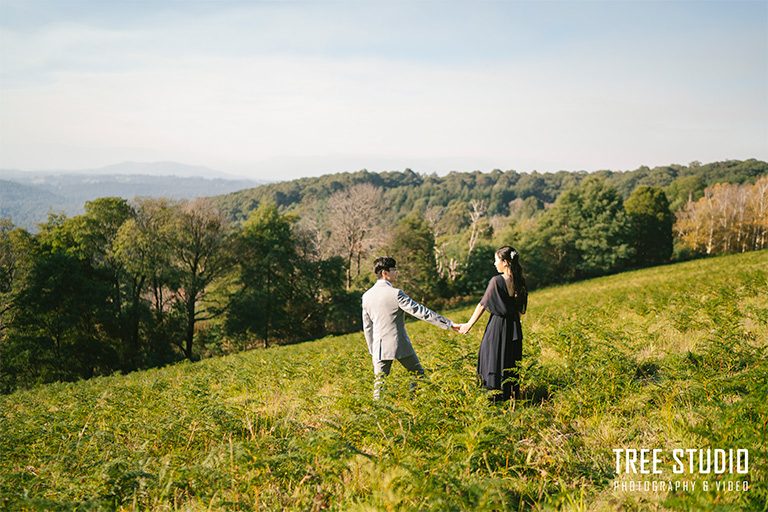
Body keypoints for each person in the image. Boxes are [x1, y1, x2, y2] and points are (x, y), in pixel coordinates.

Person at [362, 256, 458, 400]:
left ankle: (376, 417)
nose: (397, 273)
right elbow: (421, 312)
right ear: (384, 273)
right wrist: (448, 324)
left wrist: (372, 349)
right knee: (417, 374)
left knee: (379, 386)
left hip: (379, 348)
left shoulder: (366, 296)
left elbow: (367, 327)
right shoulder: (396, 294)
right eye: (394, 270)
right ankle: (413, 404)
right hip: (399, 344)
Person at [457, 246, 528, 401]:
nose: (494, 263)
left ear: (506, 262)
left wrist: (468, 325)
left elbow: (482, 304)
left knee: (492, 359)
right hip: (514, 328)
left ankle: (492, 398)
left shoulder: (496, 281)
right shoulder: (520, 281)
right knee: (509, 360)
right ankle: (510, 396)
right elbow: (520, 311)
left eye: (496, 260)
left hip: (497, 327)